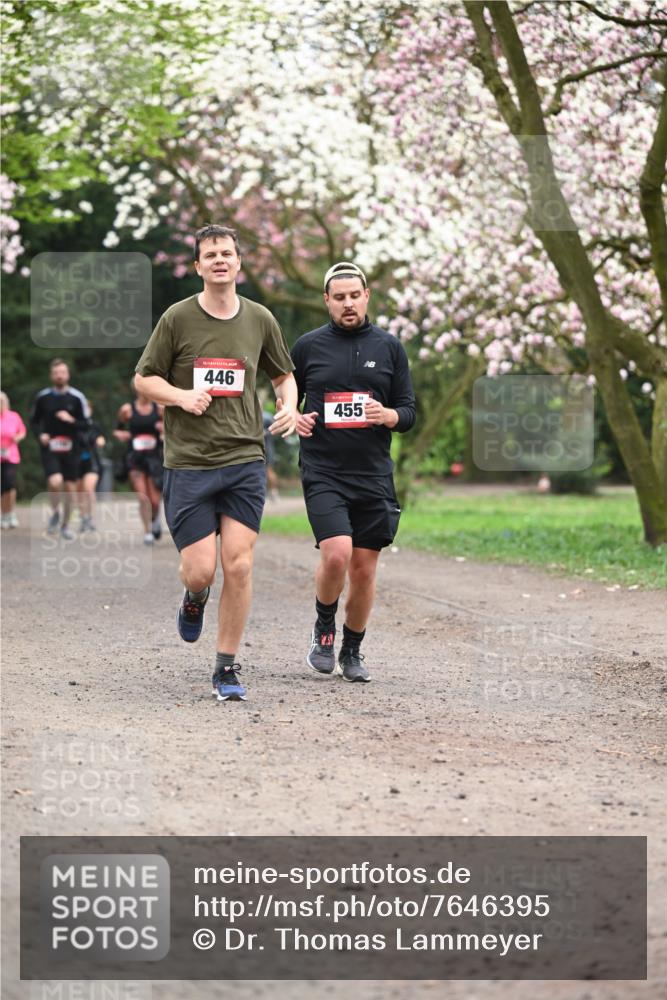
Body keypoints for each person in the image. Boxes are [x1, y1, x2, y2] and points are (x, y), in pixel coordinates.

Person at [133, 224, 297, 702]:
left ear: (238, 263)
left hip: (244, 457)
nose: (220, 260)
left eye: (227, 253)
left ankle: (225, 667)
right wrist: (182, 396)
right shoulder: (178, 318)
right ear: (199, 266)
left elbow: (283, 375)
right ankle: (195, 596)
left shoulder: (260, 318)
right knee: (201, 570)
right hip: (190, 462)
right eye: (211, 254)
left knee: (239, 565)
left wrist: (289, 405)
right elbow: (144, 379)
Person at [292, 261, 416, 683]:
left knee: (364, 569)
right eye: (339, 297)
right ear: (327, 300)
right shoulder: (308, 346)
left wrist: (388, 415)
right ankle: (324, 628)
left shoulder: (389, 347)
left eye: (354, 296)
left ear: (366, 297)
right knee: (337, 553)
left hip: (373, 475)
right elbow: (285, 396)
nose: (348, 304)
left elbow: (408, 410)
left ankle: (352, 649)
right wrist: (294, 416)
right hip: (323, 469)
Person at [29, 359, 90, 540]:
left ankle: (65, 525)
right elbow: (34, 421)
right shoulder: (43, 397)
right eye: (56, 373)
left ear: (68, 375)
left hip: (72, 448)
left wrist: (71, 420)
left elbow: (86, 424)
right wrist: (40, 435)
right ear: (51, 375)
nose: (59, 376)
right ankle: (55, 513)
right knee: (55, 482)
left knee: (70, 489)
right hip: (50, 447)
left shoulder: (77, 397)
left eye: (62, 372)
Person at [113, 382, 164, 544]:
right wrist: (121, 435)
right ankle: (147, 532)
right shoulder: (127, 410)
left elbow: (172, 428)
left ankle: (155, 519)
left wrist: (163, 429)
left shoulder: (159, 409)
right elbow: (118, 429)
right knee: (143, 497)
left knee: (154, 500)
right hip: (135, 457)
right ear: (136, 389)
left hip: (154, 458)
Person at [76, 403, 106, 532]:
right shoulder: (73, 425)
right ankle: (83, 517)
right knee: (79, 492)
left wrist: (101, 441)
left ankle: (90, 518)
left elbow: (100, 438)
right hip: (75, 462)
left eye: (87, 408)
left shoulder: (94, 426)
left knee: (89, 489)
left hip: (92, 461)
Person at [0, 391, 27, 529]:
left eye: (2, 402)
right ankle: (3, 514)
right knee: (1, 486)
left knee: (9, 484)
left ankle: (10, 513)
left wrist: (17, 437)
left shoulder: (13, 416)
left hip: (10, 455)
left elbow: (22, 431)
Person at [263, 410, 280, 501]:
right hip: (255, 450)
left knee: (269, 471)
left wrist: (266, 432)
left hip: (268, 449)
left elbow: (276, 429)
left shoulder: (267, 416)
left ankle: (274, 492)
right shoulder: (250, 414)